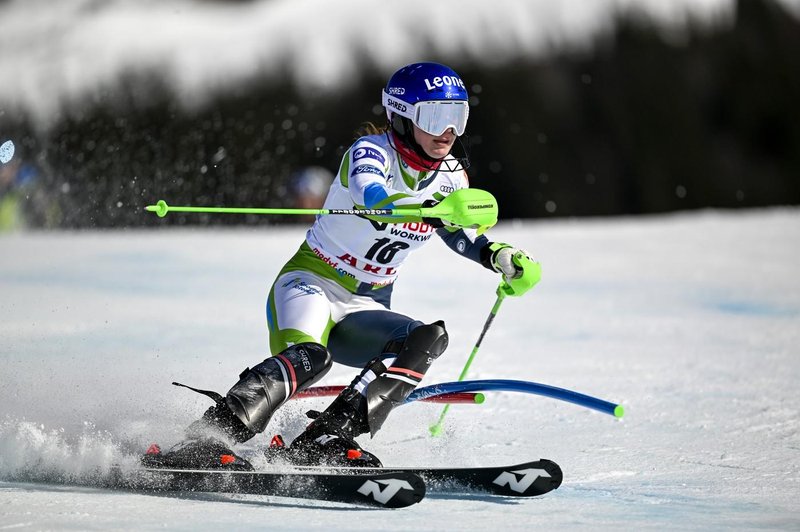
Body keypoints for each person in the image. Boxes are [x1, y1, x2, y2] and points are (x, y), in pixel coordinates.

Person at [148, 62, 541, 470]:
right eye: (436, 116)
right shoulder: (371, 153)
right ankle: (209, 437)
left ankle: (327, 437)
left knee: (428, 338)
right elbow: (374, 200)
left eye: (457, 118)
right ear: (403, 116)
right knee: (310, 357)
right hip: (311, 284)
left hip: (366, 304)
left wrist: (498, 255)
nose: (448, 132)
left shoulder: (451, 176)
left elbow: (458, 232)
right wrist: (432, 209)